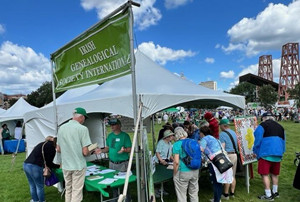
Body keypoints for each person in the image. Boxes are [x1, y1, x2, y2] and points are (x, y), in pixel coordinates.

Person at [56, 107, 101, 202]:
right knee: (76, 191)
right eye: (84, 118)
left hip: (66, 165)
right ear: (81, 117)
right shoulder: (82, 129)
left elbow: (58, 149)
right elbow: (85, 152)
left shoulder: (61, 128)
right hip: (78, 165)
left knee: (68, 189)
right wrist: (91, 151)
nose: (84, 120)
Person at [253, 112, 286, 200]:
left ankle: (268, 195)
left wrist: (255, 150)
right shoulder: (281, 127)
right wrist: (282, 152)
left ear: (264, 118)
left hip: (265, 153)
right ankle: (275, 192)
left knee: (264, 174)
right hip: (278, 153)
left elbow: (257, 139)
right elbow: (284, 142)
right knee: (275, 174)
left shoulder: (262, 125)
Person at [99, 118, 132, 202]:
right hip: (112, 163)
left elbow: (130, 149)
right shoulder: (110, 136)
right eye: (111, 125)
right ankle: (115, 198)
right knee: (113, 182)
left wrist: (124, 150)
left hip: (123, 163)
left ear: (119, 125)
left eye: (114, 124)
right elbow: (108, 148)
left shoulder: (125, 136)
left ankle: (127, 199)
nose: (112, 126)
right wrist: (101, 151)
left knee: (124, 183)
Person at [23, 136, 60, 202]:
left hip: (26, 164)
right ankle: (42, 200)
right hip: (35, 167)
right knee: (40, 186)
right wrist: (58, 166)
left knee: (32, 185)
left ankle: (34, 200)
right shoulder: (51, 148)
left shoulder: (42, 144)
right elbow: (49, 163)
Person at [173, 127, 199, 202]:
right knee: (194, 193)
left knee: (182, 195)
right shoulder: (193, 141)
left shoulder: (176, 145)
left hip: (183, 171)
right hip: (195, 169)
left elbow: (176, 162)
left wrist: (175, 173)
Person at [199, 126, 223, 202]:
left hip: (212, 161)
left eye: (199, 133)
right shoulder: (213, 138)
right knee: (219, 181)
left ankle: (216, 200)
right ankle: (218, 198)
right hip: (220, 159)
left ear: (202, 133)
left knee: (215, 181)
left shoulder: (204, 139)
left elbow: (201, 150)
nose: (199, 134)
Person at [219, 119, 238, 199]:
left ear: (223, 126)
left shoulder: (222, 134)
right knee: (233, 175)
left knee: (227, 175)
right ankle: (232, 193)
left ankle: (226, 194)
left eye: (220, 125)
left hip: (228, 155)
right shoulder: (233, 132)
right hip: (234, 155)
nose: (219, 127)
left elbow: (222, 147)